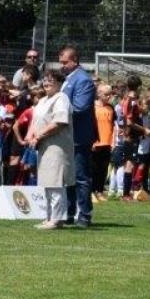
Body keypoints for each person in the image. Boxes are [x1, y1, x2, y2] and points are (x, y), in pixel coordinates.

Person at [26, 70, 74, 229]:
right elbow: (35, 120)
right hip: (43, 146)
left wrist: (38, 136)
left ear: (60, 83)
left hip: (57, 146)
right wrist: (30, 135)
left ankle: (57, 219)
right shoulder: (43, 100)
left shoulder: (62, 98)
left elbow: (59, 122)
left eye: (51, 81)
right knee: (47, 182)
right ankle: (49, 217)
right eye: (45, 80)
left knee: (55, 182)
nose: (46, 83)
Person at [57, 45, 96, 226]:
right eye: (60, 62)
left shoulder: (83, 80)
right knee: (68, 176)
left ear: (74, 60)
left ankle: (85, 215)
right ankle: (69, 212)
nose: (62, 65)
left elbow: (80, 107)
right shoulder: (68, 79)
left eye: (64, 62)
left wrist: (56, 111)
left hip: (79, 136)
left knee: (80, 176)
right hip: (67, 135)